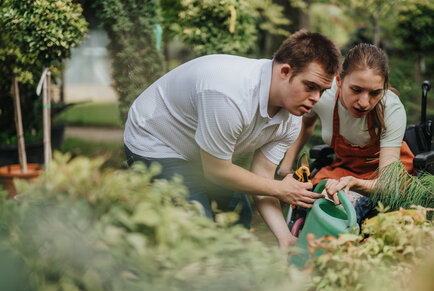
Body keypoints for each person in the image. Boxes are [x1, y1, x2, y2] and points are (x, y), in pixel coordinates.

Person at [123, 30, 342, 248]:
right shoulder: (229, 95)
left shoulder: (292, 119)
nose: (315, 98)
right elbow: (217, 171)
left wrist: (285, 237)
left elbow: (263, 177)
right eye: (310, 86)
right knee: (196, 228)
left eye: (322, 91)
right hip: (156, 141)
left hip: (200, 150)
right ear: (285, 72)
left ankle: (228, 276)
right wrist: (280, 188)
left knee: (239, 217)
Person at [279, 43, 414, 209]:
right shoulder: (323, 94)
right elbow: (306, 123)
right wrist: (286, 168)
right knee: (317, 199)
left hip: (384, 178)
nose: (364, 103)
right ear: (339, 80)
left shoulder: (391, 109)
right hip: (345, 170)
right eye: (356, 90)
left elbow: (387, 184)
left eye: (375, 93)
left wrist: (356, 184)